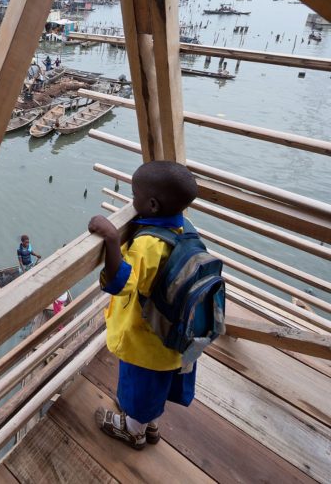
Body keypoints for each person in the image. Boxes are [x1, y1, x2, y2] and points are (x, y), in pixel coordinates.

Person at [87, 161, 199, 450]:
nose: (131, 200)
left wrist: (112, 238)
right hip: (173, 334)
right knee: (155, 385)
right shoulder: (185, 228)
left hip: (147, 338)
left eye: (134, 195)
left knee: (138, 384)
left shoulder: (148, 244)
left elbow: (119, 283)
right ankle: (149, 424)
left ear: (151, 204)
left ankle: (132, 430)